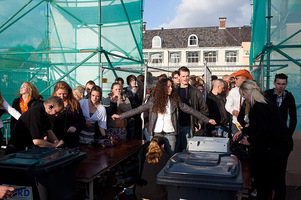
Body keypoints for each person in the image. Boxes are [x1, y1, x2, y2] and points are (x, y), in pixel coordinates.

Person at [112, 78, 216, 156]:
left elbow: (191, 110)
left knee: (170, 158)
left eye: (171, 86)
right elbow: (138, 109)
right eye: (168, 86)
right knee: (155, 158)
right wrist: (120, 116)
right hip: (156, 134)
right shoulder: (153, 101)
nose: (171, 88)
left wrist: (207, 120)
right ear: (162, 88)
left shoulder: (175, 100)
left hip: (171, 133)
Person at [233, 80, 293, 200]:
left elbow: (264, 130)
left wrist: (250, 140)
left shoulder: (259, 106)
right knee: (274, 180)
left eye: (244, 95)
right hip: (279, 146)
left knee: (274, 180)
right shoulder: (264, 102)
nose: (244, 99)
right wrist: (244, 131)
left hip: (277, 148)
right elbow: (258, 125)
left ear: (247, 92)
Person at [175, 66, 209, 152]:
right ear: (179, 77)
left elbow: (204, 109)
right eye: (183, 76)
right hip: (176, 126)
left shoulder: (195, 92)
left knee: (189, 152)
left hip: (190, 126)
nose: (185, 78)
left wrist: (199, 122)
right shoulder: (174, 92)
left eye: (187, 76)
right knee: (176, 152)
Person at [51, 81, 85, 148]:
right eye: (59, 94)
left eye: (64, 94)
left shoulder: (74, 104)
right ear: (55, 93)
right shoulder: (51, 103)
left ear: (68, 92)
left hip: (71, 140)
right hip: (55, 139)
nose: (62, 96)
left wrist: (75, 126)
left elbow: (82, 120)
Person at [135, 136, 170, 200]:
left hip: (141, 193)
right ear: (163, 146)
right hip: (158, 195)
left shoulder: (144, 158)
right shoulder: (165, 158)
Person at [225, 69, 253, 136]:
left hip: (249, 123)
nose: (235, 80)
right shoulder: (233, 91)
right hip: (236, 123)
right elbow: (227, 105)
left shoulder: (253, 91)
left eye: (237, 78)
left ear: (244, 79)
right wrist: (232, 111)